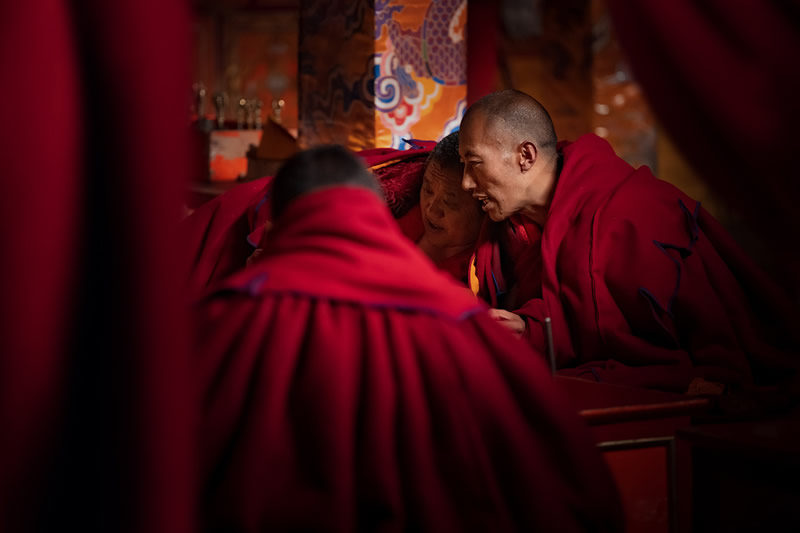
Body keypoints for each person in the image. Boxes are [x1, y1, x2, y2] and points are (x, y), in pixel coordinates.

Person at [193, 145, 622, 532]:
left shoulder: (220, 320)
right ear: (374, 211)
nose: (434, 209)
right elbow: (569, 478)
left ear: (278, 222)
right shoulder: (461, 325)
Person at [459, 89, 800, 394]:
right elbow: (566, 314)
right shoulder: (509, 228)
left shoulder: (634, 212)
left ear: (526, 156)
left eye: (474, 164)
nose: (465, 184)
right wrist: (527, 328)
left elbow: (711, 342)